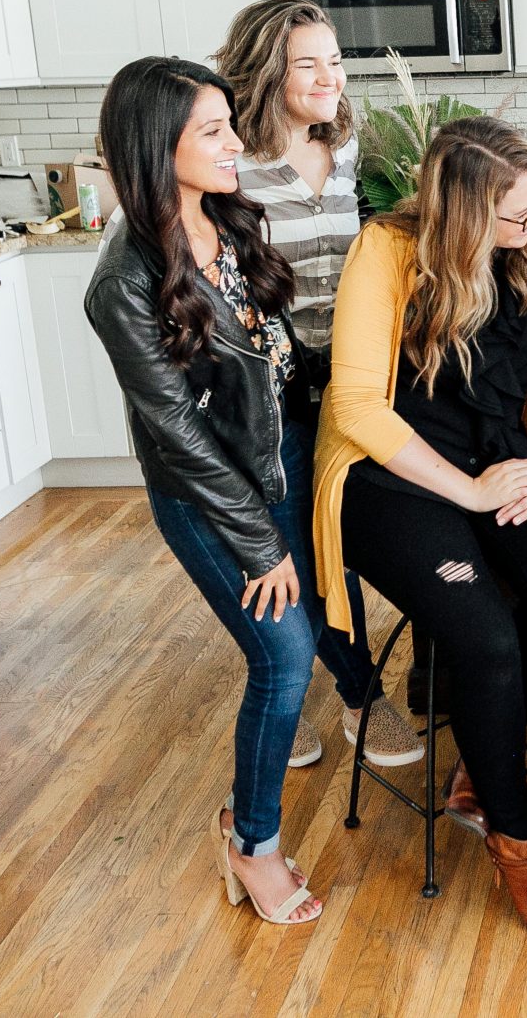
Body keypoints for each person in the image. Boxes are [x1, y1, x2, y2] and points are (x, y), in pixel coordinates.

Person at [313, 115, 527, 939]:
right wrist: (469, 495)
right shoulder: (386, 250)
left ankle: (482, 763)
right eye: (516, 213)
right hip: (394, 470)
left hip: (504, 453)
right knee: (486, 640)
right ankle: (517, 844)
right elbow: (357, 405)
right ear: (465, 213)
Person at [84, 56, 343, 926]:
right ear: (159, 146)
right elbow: (179, 434)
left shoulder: (228, 216)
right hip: (212, 498)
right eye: (213, 131)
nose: (236, 142)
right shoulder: (120, 281)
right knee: (282, 657)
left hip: (283, 458)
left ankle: (260, 814)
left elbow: (272, 354)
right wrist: (260, 541)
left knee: (310, 631)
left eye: (230, 124)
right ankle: (252, 842)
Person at [214, 0, 422, 772]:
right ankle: (353, 696)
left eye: (335, 61)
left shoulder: (351, 145)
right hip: (278, 392)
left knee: (343, 540)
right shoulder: (233, 166)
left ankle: (318, 684)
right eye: (309, 63)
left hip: (357, 378)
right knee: (296, 547)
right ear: (269, 72)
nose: (331, 77)